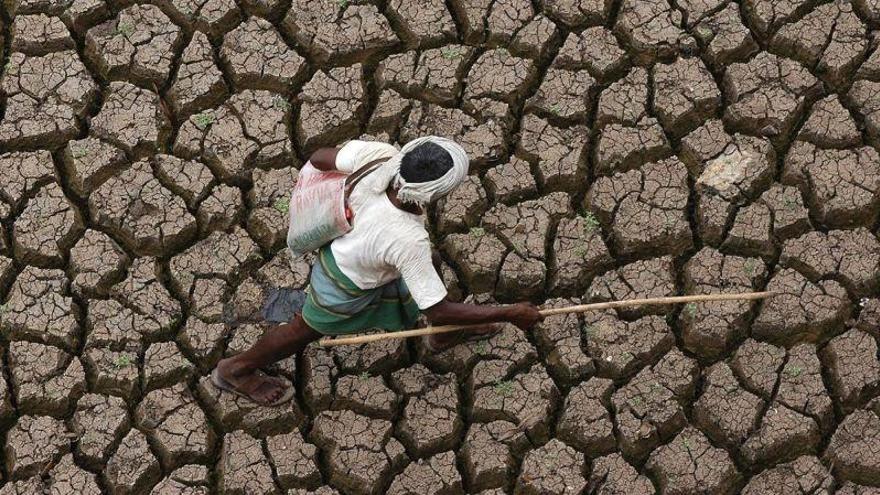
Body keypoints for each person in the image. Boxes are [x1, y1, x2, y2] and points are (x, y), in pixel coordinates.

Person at [211, 137, 544, 406]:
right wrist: (511, 312)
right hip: (344, 281)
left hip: (352, 245)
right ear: (435, 195)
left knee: (429, 275)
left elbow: (320, 157)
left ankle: (444, 334)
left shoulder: (381, 156)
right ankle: (236, 370)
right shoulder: (408, 239)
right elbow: (435, 307)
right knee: (305, 329)